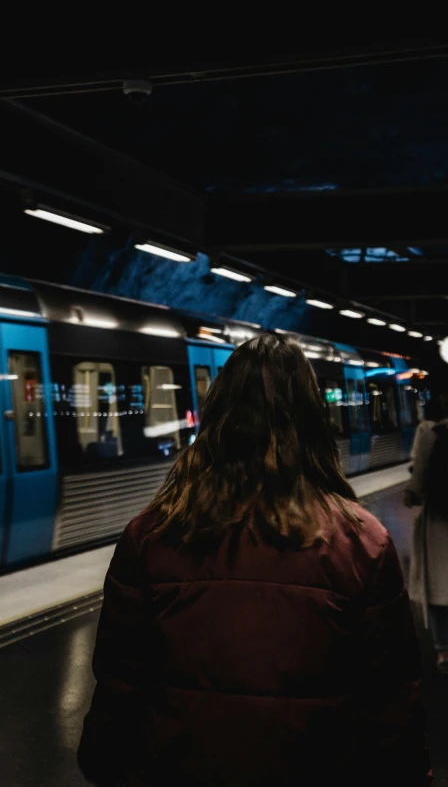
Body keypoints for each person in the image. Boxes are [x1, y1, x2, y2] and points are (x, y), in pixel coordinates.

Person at [78, 334, 433, 787]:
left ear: (216, 415)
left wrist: (106, 763)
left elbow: (119, 684)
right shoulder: (362, 543)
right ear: (311, 419)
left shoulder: (150, 537)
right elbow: (391, 703)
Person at [407, 393, 448, 673]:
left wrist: (412, 494)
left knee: (438, 591)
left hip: (438, 523)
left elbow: (417, 485)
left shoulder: (429, 433)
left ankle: (443, 652)